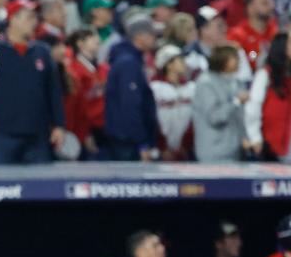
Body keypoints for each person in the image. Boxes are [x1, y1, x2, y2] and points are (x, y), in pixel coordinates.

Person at [0, 0, 65, 164]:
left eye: (35, 18)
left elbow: (53, 91)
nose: (34, 23)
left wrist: (58, 125)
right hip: (2, 135)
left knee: (41, 188)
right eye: (29, 17)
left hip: (38, 135)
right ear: (13, 19)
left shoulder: (42, 52)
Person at [245, 30, 291, 163]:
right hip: (273, 151)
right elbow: (253, 108)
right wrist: (255, 137)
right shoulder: (265, 75)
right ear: (281, 47)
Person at [104, 17, 160, 161]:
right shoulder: (128, 63)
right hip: (128, 142)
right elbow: (130, 106)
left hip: (129, 140)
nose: (155, 38)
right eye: (152, 34)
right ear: (139, 36)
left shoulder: (133, 59)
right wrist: (141, 143)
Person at [193, 44, 249, 162]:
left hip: (234, 151)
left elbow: (239, 116)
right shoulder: (206, 83)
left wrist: (244, 137)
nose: (239, 61)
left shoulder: (236, 82)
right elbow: (215, 117)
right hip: (213, 152)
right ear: (223, 59)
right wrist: (236, 101)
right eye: (235, 57)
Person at [63, 28, 109, 158]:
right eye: (91, 37)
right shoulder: (75, 70)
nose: (97, 39)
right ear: (80, 43)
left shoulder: (100, 67)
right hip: (86, 129)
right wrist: (85, 134)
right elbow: (78, 107)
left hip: (102, 126)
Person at [150, 45, 195, 160]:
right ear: (169, 64)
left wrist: (186, 144)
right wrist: (162, 146)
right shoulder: (155, 87)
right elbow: (152, 119)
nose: (184, 63)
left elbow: (193, 119)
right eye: (179, 60)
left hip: (186, 149)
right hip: (161, 149)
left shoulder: (191, 87)